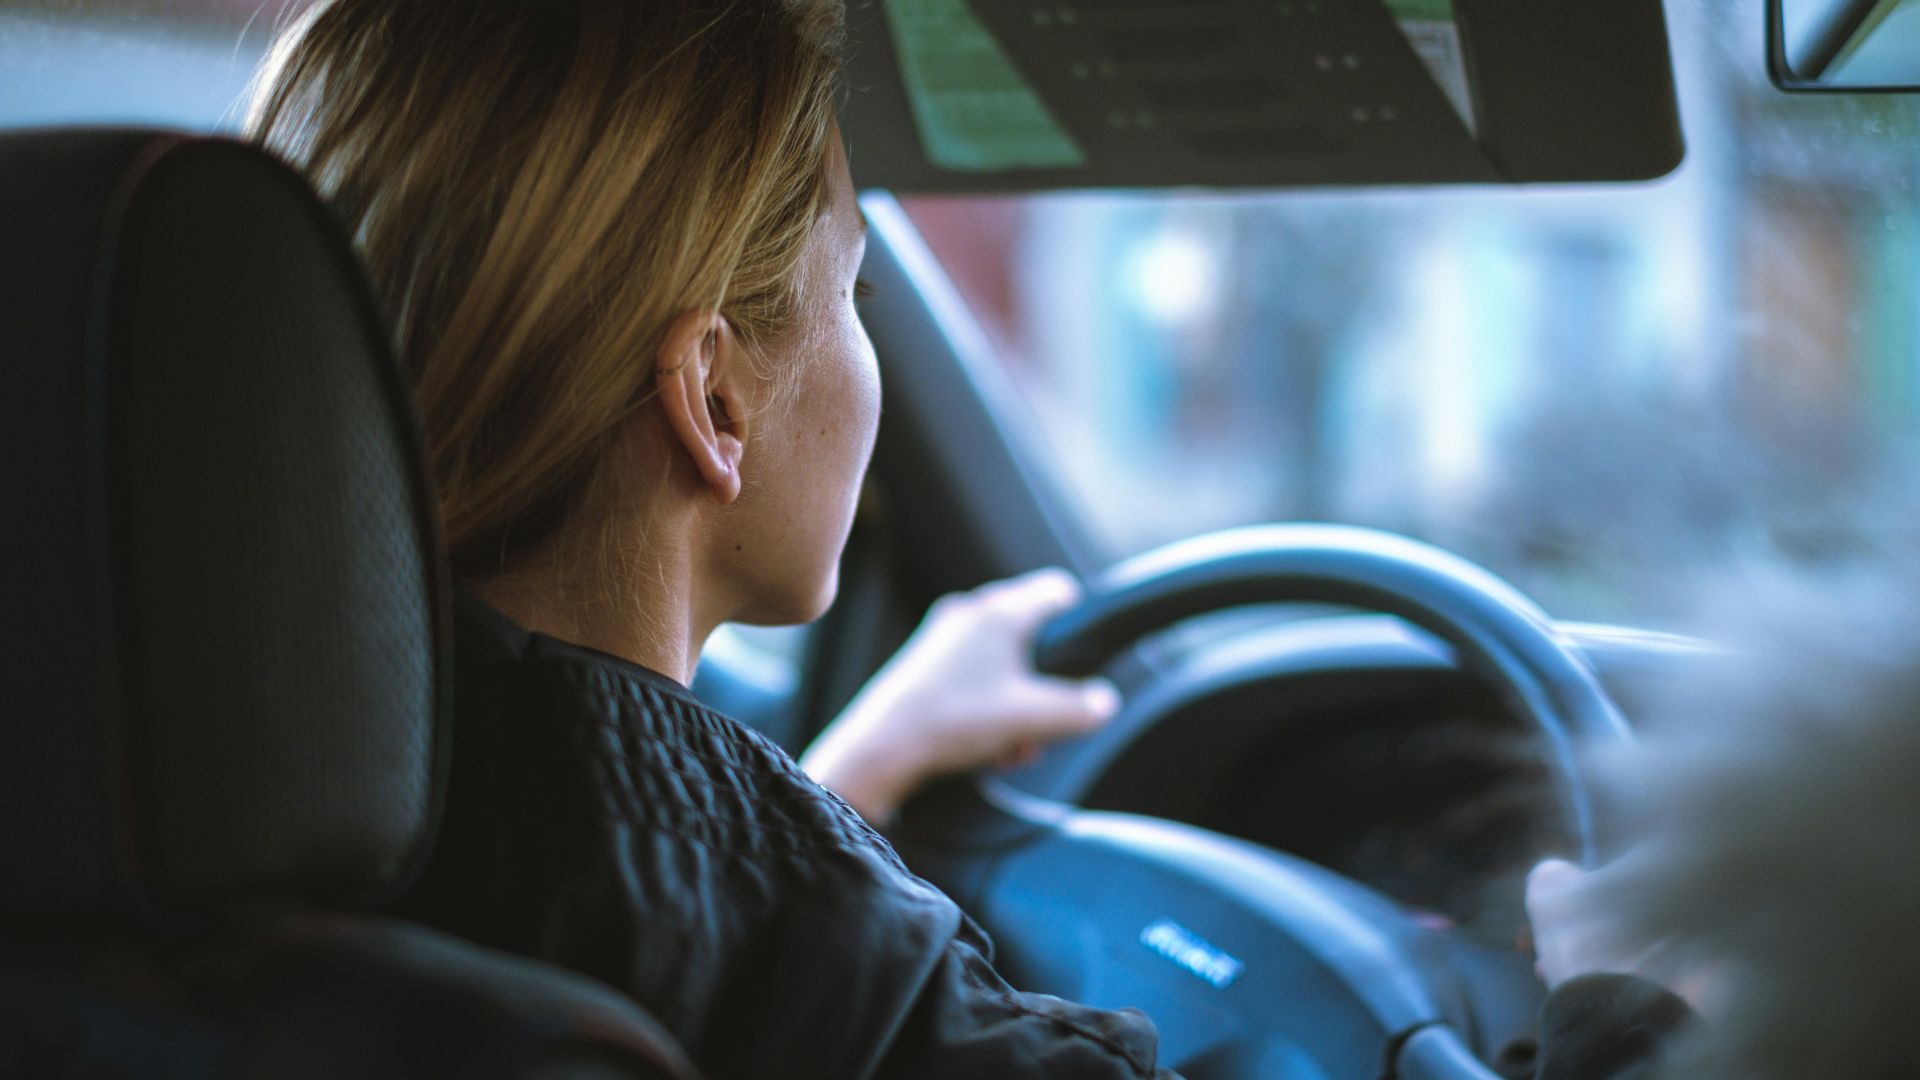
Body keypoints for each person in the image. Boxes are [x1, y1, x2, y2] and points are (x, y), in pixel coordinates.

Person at [247, 1, 1693, 1076]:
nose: (864, 346)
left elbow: (631, 897)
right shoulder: (840, 986)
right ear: (712, 399)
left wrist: (846, 785)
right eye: (856, 292)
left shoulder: (225, 802)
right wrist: (1627, 1014)